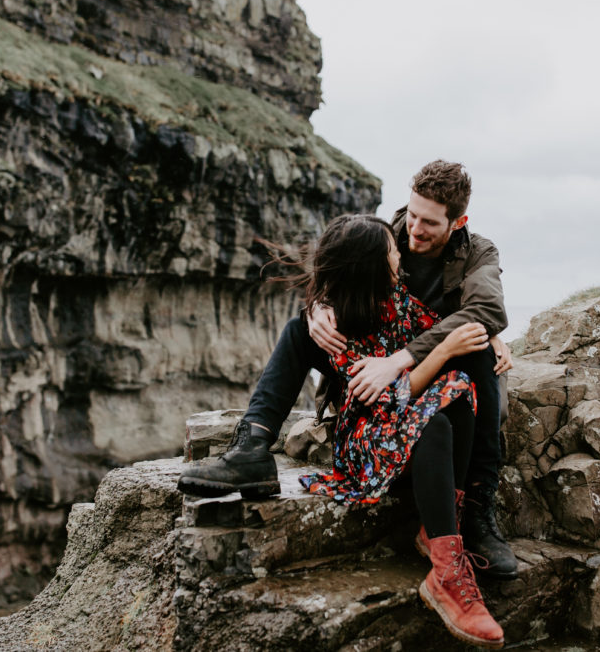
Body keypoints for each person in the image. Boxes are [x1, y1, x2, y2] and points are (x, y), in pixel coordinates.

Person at [178, 160, 517, 578]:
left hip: (421, 370)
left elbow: (485, 309)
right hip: (364, 373)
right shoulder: (384, 235)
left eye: (429, 222)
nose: (414, 229)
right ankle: (251, 447)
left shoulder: (478, 251)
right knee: (299, 330)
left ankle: (477, 510)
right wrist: (317, 304)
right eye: (411, 215)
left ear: (458, 221)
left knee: (479, 347)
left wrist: (399, 360)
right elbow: (339, 266)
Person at [288, 213, 506, 647]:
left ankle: (441, 531)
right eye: (392, 251)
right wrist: (444, 348)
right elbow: (387, 400)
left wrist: (493, 337)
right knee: (438, 423)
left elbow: (455, 322)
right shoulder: (339, 323)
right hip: (365, 438)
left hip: (398, 424)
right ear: (373, 263)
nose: (400, 254)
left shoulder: (399, 297)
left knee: (459, 391)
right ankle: (446, 570)